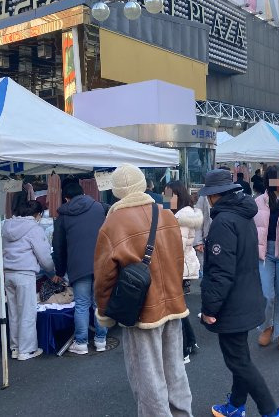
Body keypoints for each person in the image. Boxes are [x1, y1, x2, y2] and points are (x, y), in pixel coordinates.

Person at [94, 164, 192, 417]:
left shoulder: (113, 223)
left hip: (141, 310)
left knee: (147, 375)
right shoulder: (166, 213)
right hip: (173, 303)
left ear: (117, 191)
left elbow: (105, 276)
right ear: (142, 184)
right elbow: (177, 259)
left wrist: (105, 312)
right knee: (175, 369)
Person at [199, 169, 279, 417]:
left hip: (232, 303)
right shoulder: (242, 214)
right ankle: (236, 405)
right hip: (247, 296)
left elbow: (220, 272)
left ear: (214, 196)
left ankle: (271, 411)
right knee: (240, 357)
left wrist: (210, 308)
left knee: (239, 361)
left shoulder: (223, 221)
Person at [53, 183, 108, 355]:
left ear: (66, 198)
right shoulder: (99, 208)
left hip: (78, 267)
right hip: (101, 264)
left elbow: (58, 246)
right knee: (99, 304)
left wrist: (60, 271)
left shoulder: (63, 215)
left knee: (82, 305)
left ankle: (82, 343)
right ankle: (101, 341)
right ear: (83, 193)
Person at [3, 200, 60, 361]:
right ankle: (26, 350)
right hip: (25, 273)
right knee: (27, 312)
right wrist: (52, 271)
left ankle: (15, 348)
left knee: (13, 312)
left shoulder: (6, 226)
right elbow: (44, 256)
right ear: (38, 214)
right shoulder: (34, 228)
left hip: (8, 273)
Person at [254, 166, 279, 353]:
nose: (278, 183)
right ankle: (267, 327)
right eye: (273, 179)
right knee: (266, 294)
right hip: (265, 252)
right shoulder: (258, 202)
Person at [165, 181, 203, 364]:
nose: (166, 199)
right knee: (180, 307)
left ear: (176, 196)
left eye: (168, 195)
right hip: (184, 266)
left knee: (175, 309)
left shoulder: (181, 218)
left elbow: (176, 247)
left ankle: (183, 350)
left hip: (178, 267)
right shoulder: (185, 214)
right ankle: (190, 342)